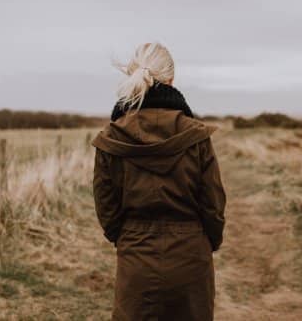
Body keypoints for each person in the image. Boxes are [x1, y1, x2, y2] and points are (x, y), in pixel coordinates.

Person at [91, 42, 226, 320]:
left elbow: (106, 205)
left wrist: (127, 238)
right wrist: (205, 242)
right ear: (171, 80)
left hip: (135, 255)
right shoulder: (197, 135)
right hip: (191, 254)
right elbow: (213, 203)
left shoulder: (111, 137)